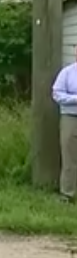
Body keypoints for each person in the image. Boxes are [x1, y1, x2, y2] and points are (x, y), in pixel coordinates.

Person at [52, 57, 77, 201]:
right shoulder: (67, 73)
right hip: (71, 117)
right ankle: (68, 194)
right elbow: (57, 94)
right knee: (70, 157)